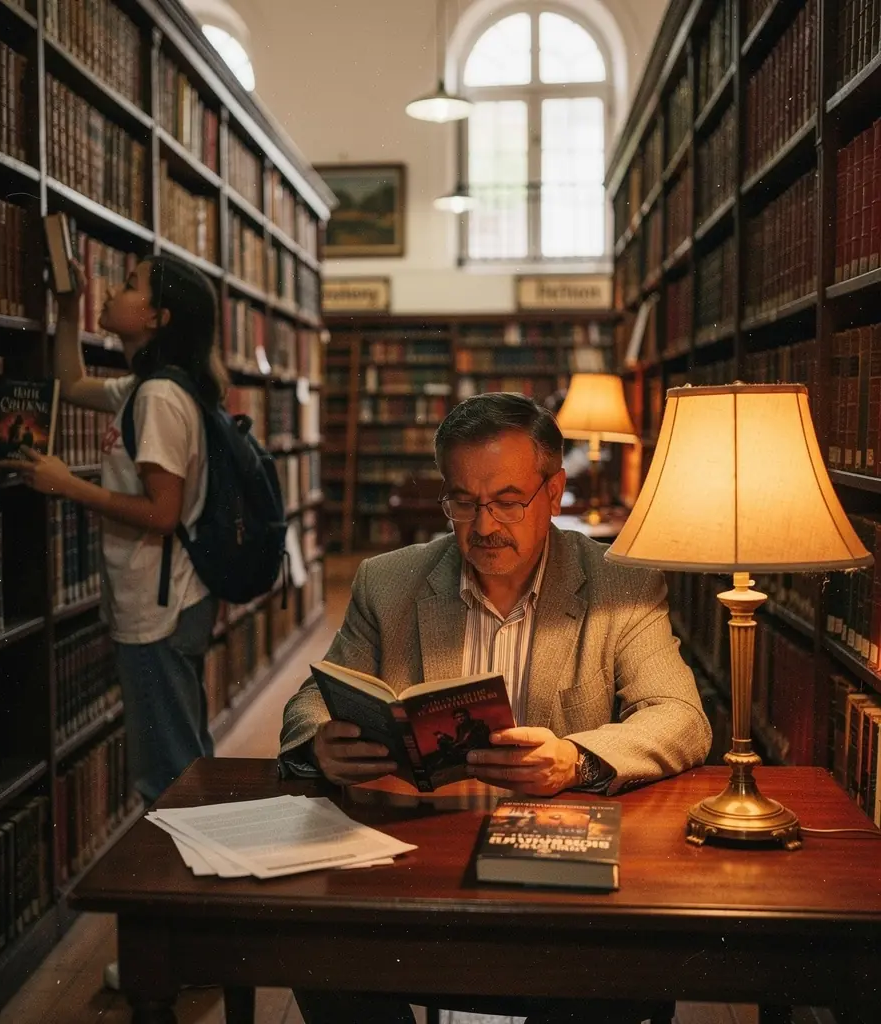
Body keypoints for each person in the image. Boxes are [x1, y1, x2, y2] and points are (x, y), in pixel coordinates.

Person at [278, 391, 711, 1024]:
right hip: (422, 866)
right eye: (462, 501)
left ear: (555, 490)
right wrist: (319, 742)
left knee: (611, 978)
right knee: (319, 954)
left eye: (508, 500)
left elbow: (680, 715)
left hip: (566, 879)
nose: (483, 526)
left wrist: (576, 758)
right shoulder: (388, 582)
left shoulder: (620, 583)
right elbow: (311, 700)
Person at [0, 252, 228, 991]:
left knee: (169, 778)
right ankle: (196, 940)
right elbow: (68, 384)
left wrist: (69, 485)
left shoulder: (159, 398)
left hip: (161, 606)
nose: (117, 292)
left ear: (158, 318)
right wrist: (66, 311)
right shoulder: (143, 387)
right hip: (161, 599)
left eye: (131, 287)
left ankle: (186, 956)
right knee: (179, 764)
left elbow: (161, 513)